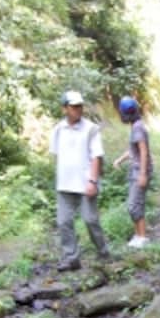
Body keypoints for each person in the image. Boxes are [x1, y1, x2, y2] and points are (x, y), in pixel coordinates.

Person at [49, 90, 109, 271]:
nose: (78, 109)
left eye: (80, 106)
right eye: (74, 106)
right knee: (63, 222)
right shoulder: (58, 129)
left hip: (85, 183)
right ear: (65, 108)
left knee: (91, 220)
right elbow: (57, 155)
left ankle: (103, 251)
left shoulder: (91, 128)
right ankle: (71, 258)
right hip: (65, 184)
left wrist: (92, 181)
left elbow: (96, 156)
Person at [112, 96, 153, 248]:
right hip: (137, 169)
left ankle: (142, 237)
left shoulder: (137, 127)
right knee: (136, 203)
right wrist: (119, 160)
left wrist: (143, 174)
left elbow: (143, 151)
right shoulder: (137, 125)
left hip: (140, 171)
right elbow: (132, 151)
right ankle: (138, 235)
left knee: (134, 204)